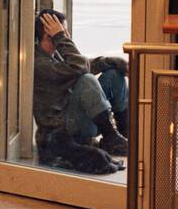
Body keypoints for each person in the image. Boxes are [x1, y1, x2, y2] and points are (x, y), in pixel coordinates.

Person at [33, 10, 130, 172]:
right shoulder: (39, 63)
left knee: (113, 74)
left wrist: (114, 62)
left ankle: (118, 135)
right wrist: (61, 37)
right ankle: (110, 134)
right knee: (87, 80)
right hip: (64, 130)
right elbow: (79, 68)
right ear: (49, 35)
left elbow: (83, 66)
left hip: (74, 114)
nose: (67, 35)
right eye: (64, 32)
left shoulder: (55, 54)